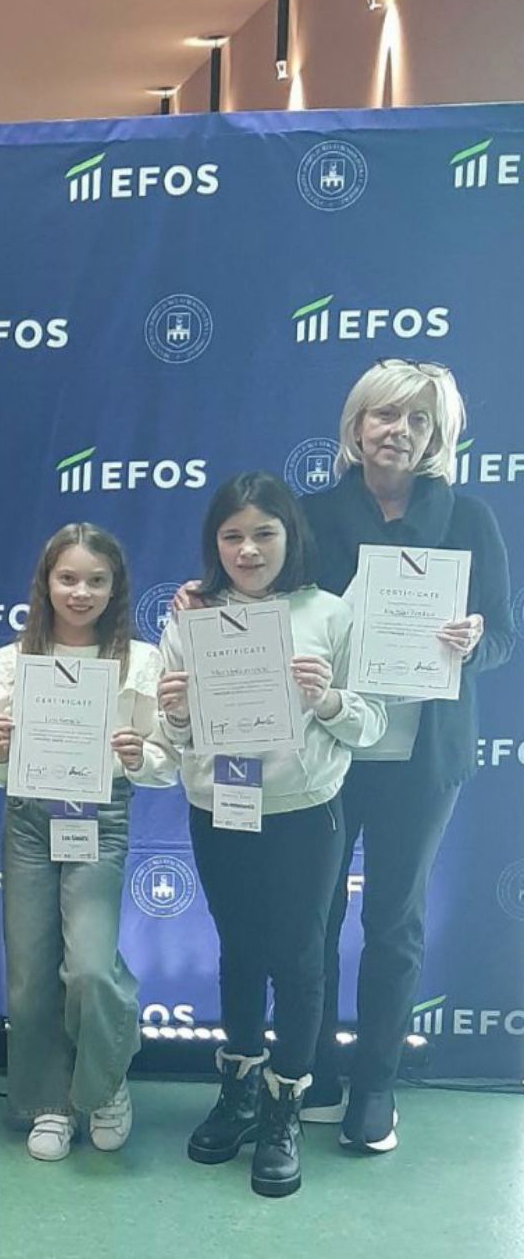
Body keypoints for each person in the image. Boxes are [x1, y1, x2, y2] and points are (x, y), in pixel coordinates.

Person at [300, 361, 513, 1151]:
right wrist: (204, 601)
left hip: (423, 756)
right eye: (386, 415)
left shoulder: (470, 519)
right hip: (327, 746)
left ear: (438, 437)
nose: (400, 431)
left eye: (419, 420)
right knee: (315, 917)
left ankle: (374, 1087)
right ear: (357, 426)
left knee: (394, 921)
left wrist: (475, 639)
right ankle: (314, 1073)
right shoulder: (310, 515)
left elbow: (505, 636)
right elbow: (269, 606)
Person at [157, 472, 385, 1198]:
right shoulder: (191, 616)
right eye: (232, 536)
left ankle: (287, 1104)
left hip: (303, 811)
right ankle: (239, 1092)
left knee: (299, 958)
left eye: (264, 533)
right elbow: (172, 733)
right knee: (239, 951)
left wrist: (328, 699)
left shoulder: (331, 613)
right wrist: (177, 710)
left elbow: (372, 723)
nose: (248, 550)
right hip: (220, 808)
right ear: (214, 543)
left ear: (291, 536)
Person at [0, 523, 176, 1162]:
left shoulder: (141, 662)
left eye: (95, 580)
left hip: (99, 816)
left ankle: (104, 1084)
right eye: (67, 579)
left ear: (115, 588)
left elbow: (166, 762)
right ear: (46, 583)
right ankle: (49, 1102)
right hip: (29, 819)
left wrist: (139, 755)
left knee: (88, 965)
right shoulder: (9, 664)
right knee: (31, 975)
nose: (80, 592)